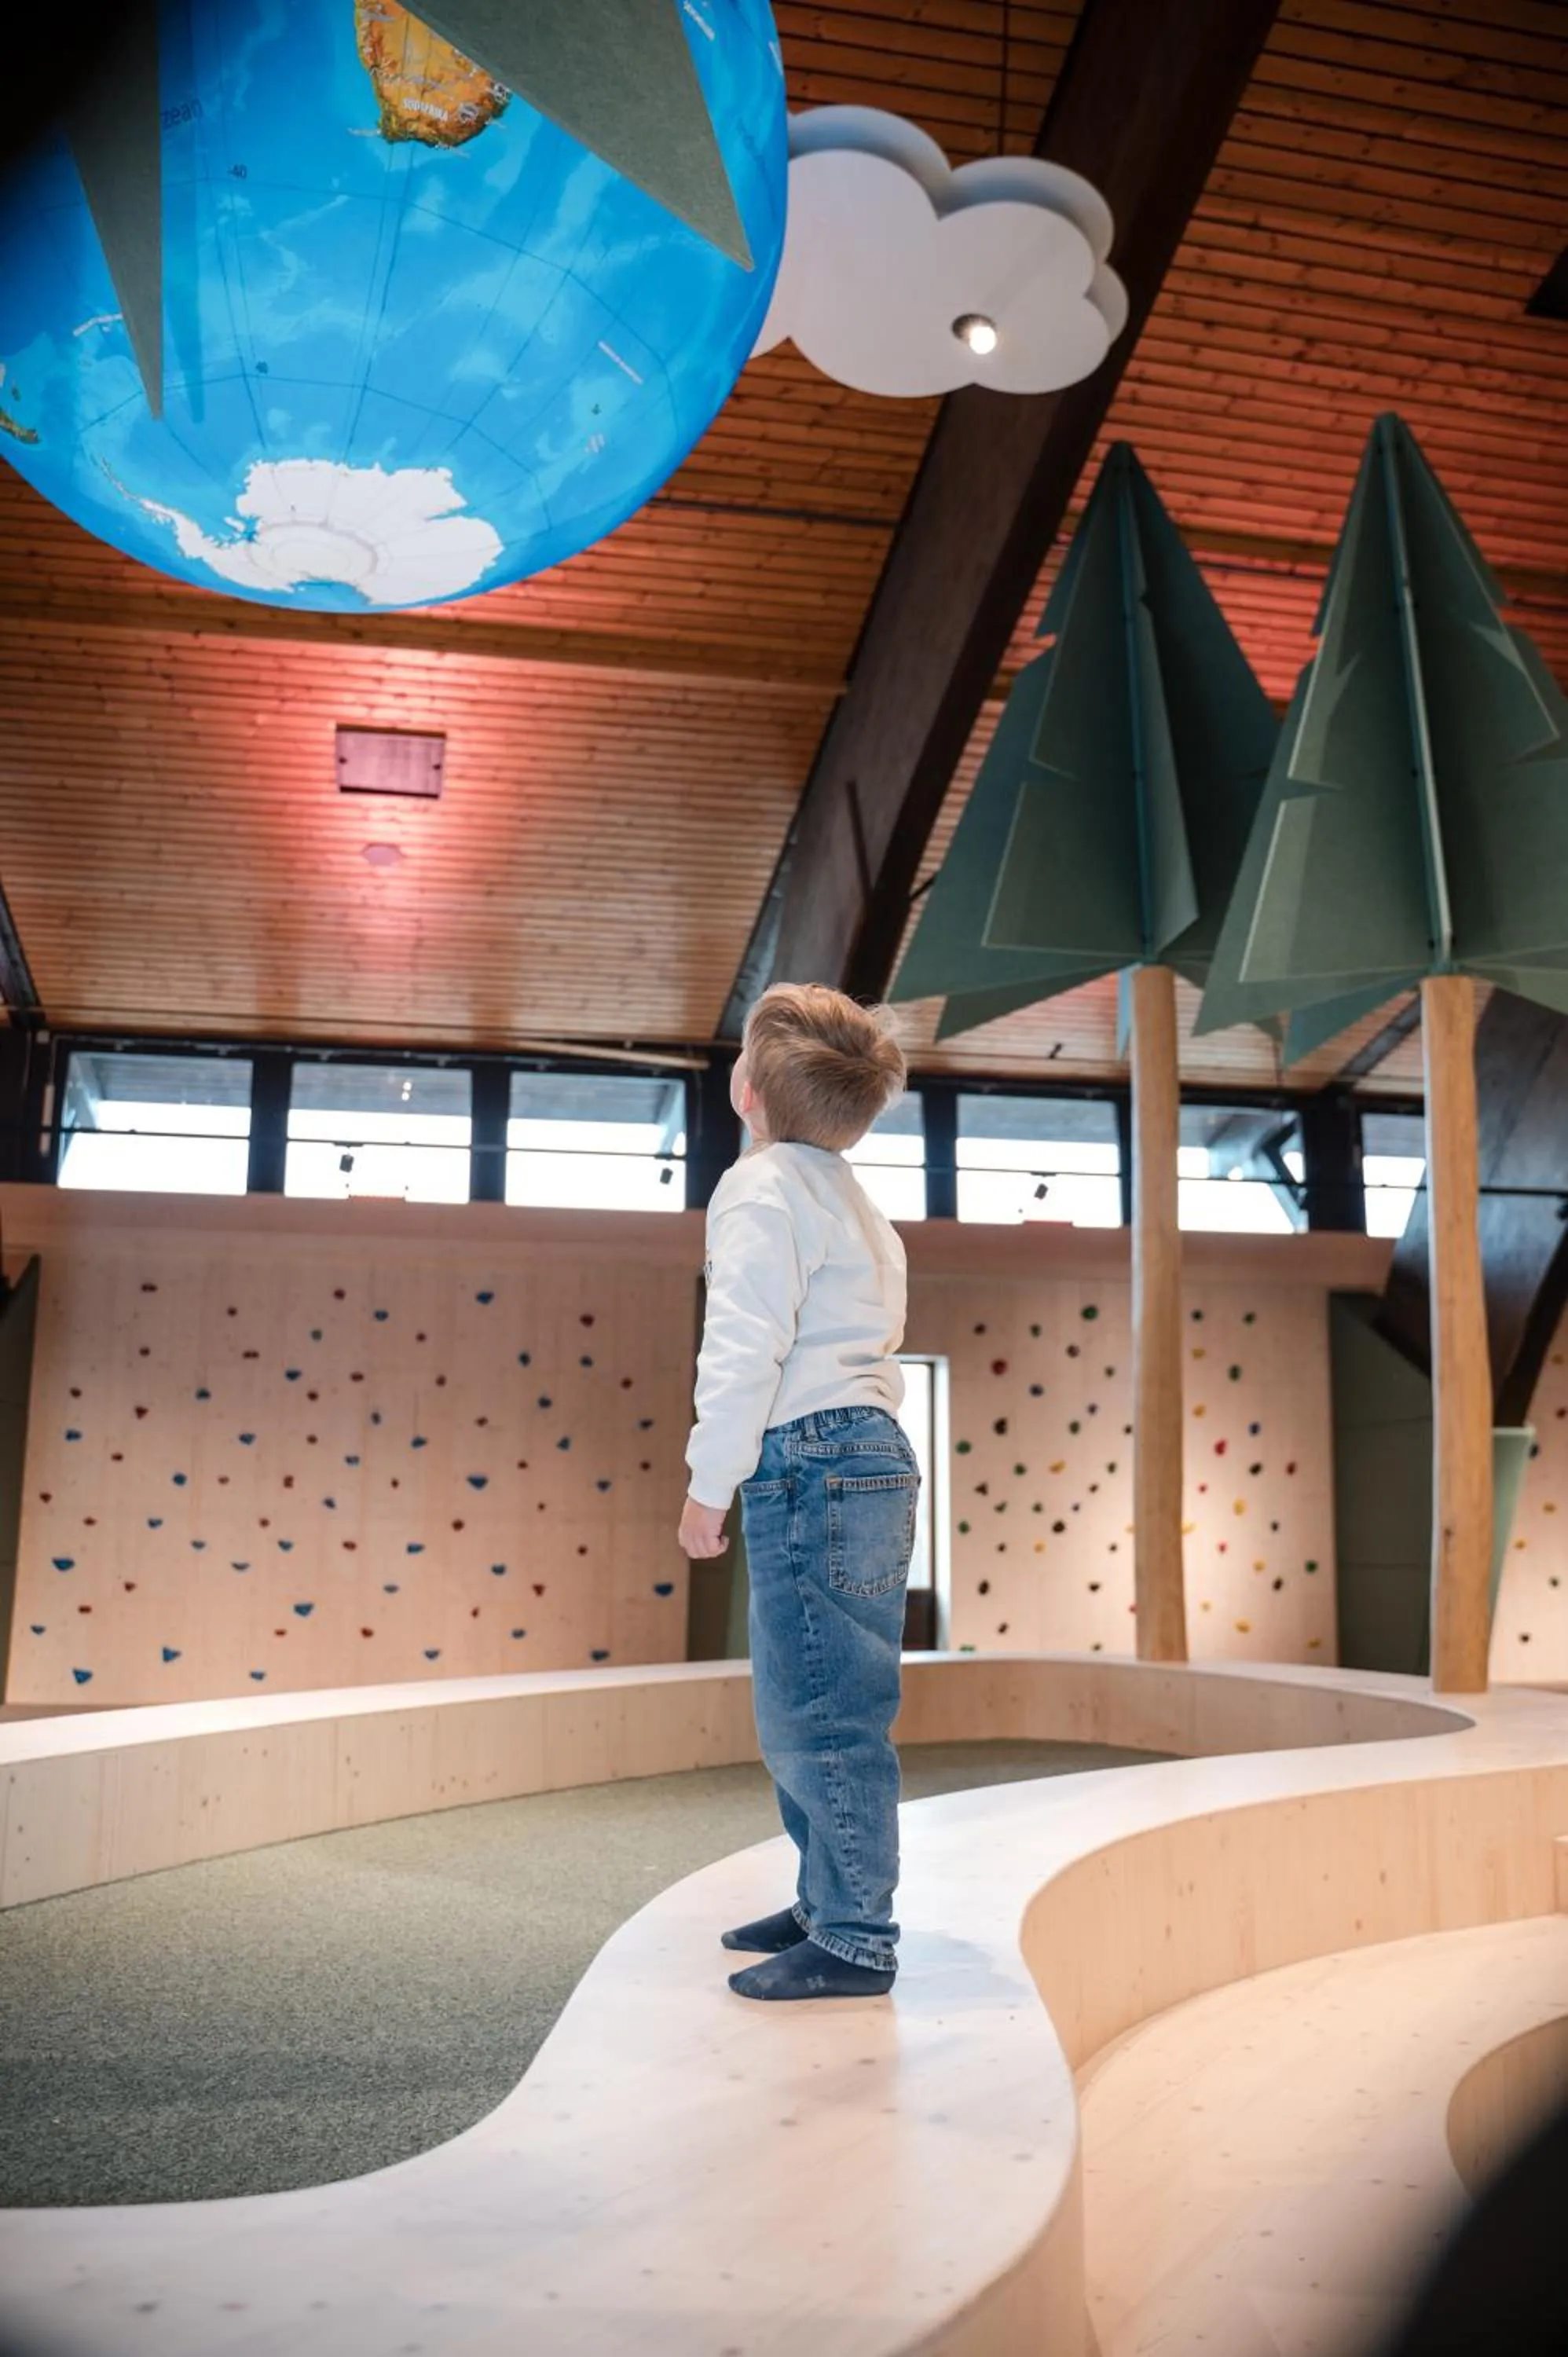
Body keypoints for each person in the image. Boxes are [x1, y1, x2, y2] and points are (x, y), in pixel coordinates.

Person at [678, 983, 920, 2003]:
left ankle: (855, 1935)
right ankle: (828, 1901)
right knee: (821, 1699)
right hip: (866, 1450)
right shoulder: (855, 1202)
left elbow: (743, 1348)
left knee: (815, 1712)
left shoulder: (761, 1188)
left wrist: (708, 1486)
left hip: (810, 1455)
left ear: (747, 1092)